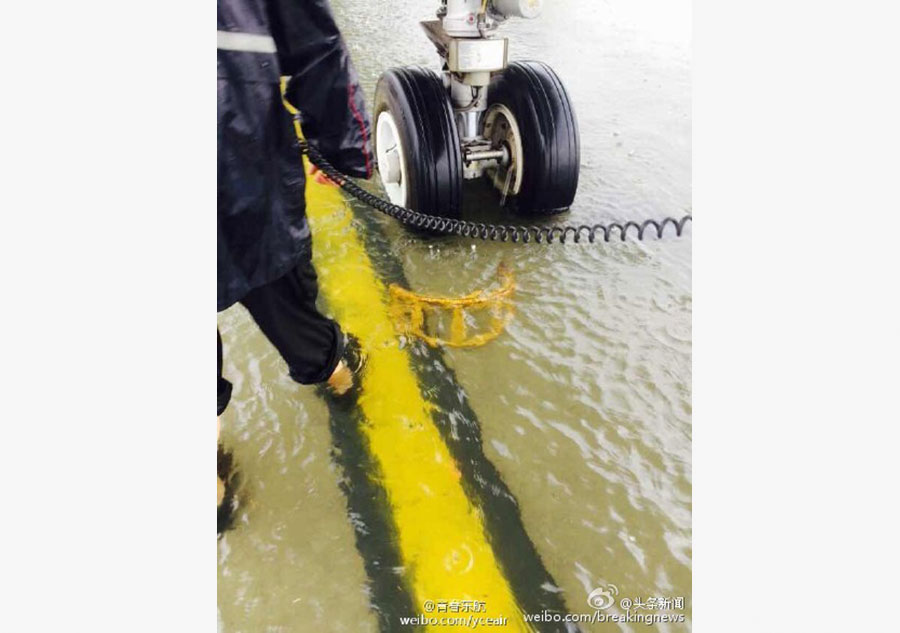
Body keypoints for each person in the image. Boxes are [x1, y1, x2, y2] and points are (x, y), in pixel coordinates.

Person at [217, 0, 373, 511]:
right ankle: (337, 375)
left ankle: (213, 492)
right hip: (241, 168)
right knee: (281, 288)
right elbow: (316, 47)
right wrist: (342, 150)